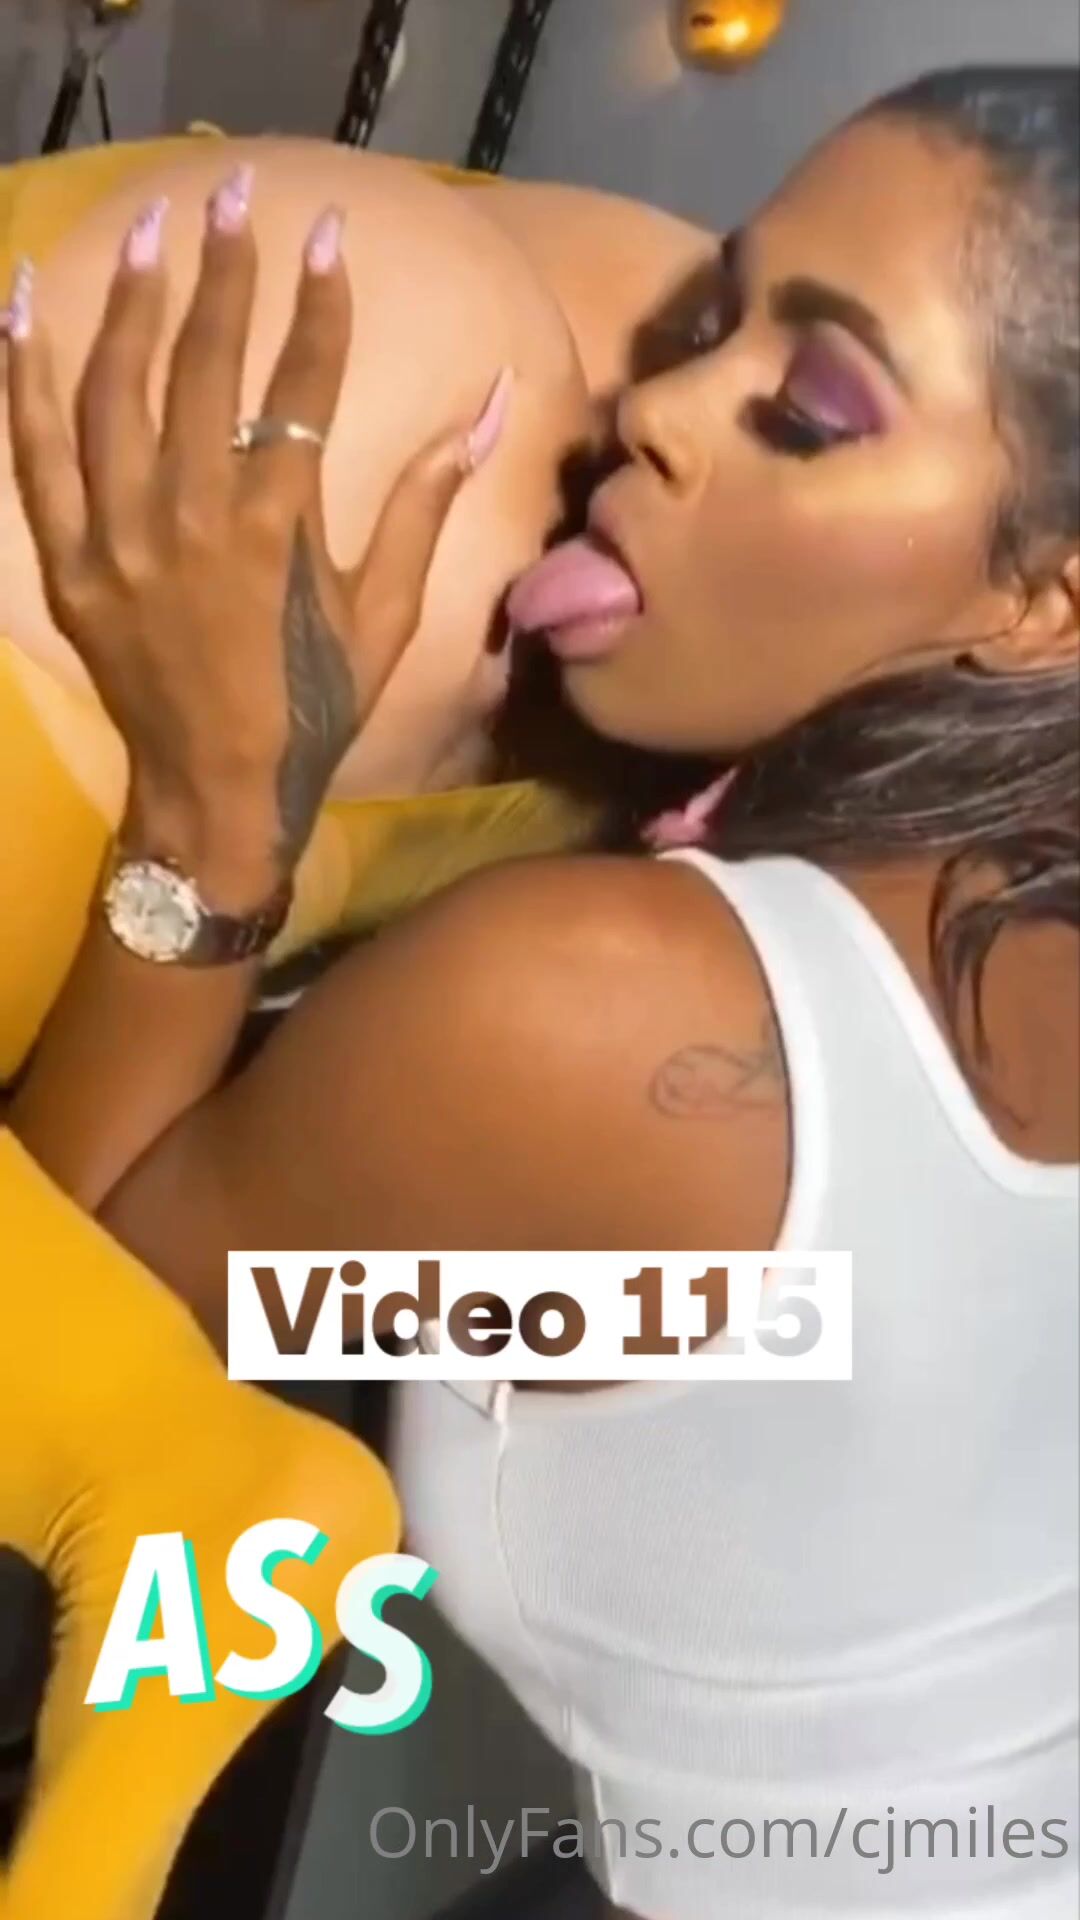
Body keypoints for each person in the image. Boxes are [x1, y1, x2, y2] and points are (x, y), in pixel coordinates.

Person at [3, 61, 1078, 1920]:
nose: (651, 409)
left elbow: (80, 1375)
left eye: (808, 409)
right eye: (710, 320)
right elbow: (780, 1330)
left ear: (1046, 601)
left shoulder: (601, 1018)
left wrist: (213, 807)